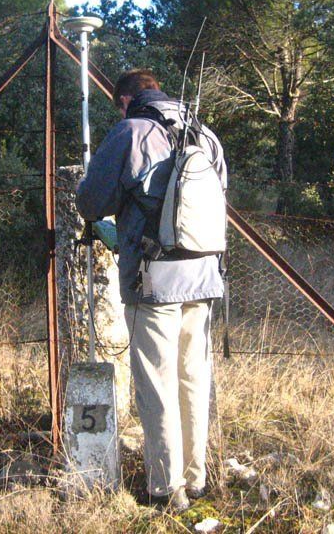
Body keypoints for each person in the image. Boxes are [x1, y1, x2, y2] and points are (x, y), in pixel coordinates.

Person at [76, 69, 227, 511]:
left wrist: (113, 223)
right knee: (192, 379)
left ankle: (165, 489)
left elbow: (90, 202)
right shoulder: (206, 134)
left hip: (152, 279)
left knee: (156, 385)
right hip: (203, 277)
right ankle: (196, 480)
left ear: (125, 100)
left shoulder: (131, 132)